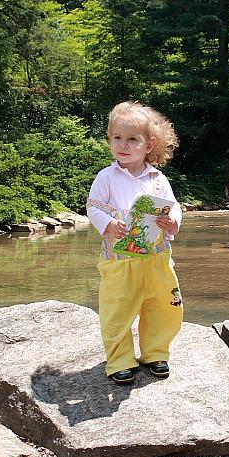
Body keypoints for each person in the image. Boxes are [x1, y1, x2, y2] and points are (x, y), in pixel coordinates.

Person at [86, 101, 184, 384]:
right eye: (117, 138)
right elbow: (93, 207)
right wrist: (108, 223)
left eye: (132, 139)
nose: (123, 145)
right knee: (117, 310)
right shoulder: (107, 177)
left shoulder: (157, 178)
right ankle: (119, 360)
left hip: (157, 259)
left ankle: (155, 353)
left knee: (164, 307)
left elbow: (174, 206)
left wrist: (172, 221)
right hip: (120, 260)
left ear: (149, 144)